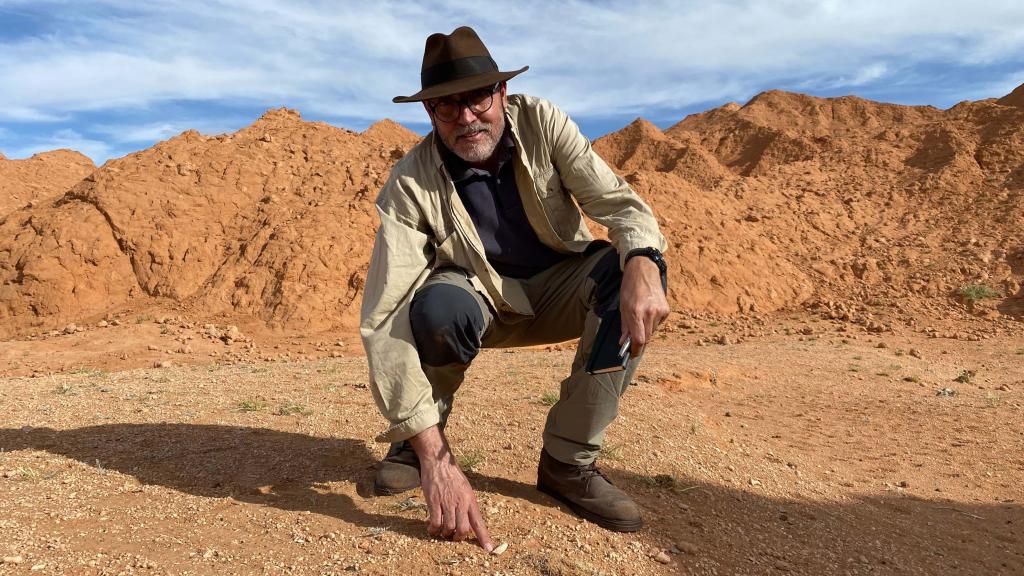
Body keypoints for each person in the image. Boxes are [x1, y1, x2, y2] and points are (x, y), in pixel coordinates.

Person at [360, 26, 669, 550]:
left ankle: (568, 461)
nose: (465, 117)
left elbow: (618, 204)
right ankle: (418, 448)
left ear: (501, 93)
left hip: (560, 285)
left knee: (630, 274)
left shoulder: (544, 124)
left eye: (477, 97)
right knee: (433, 309)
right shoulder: (409, 183)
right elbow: (385, 315)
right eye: (445, 106)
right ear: (429, 114)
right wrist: (437, 459)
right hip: (476, 297)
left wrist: (643, 258)